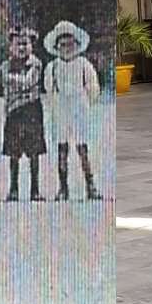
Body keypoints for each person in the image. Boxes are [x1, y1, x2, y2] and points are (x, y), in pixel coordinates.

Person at [42, 19, 101, 202]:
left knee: (82, 147)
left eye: (70, 44)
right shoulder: (52, 67)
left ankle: (90, 186)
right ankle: (63, 187)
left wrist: (86, 102)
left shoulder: (83, 64)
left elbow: (93, 86)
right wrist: (55, 106)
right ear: (56, 47)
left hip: (79, 108)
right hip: (61, 109)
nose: (67, 48)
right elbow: (49, 89)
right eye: (62, 45)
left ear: (76, 44)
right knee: (62, 148)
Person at [0, 26, 47, 202]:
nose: (22, 48)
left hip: (32, 111)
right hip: (13, 113)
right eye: (18, 44)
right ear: (11, 46)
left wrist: (15, 81)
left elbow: (28, 82)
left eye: (25, 44)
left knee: (34, 153)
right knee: (14, 153)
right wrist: (16, 82)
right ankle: (13, 189)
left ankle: (35, 189)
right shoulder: (5, 65)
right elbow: (8, 80)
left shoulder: (36, 64)